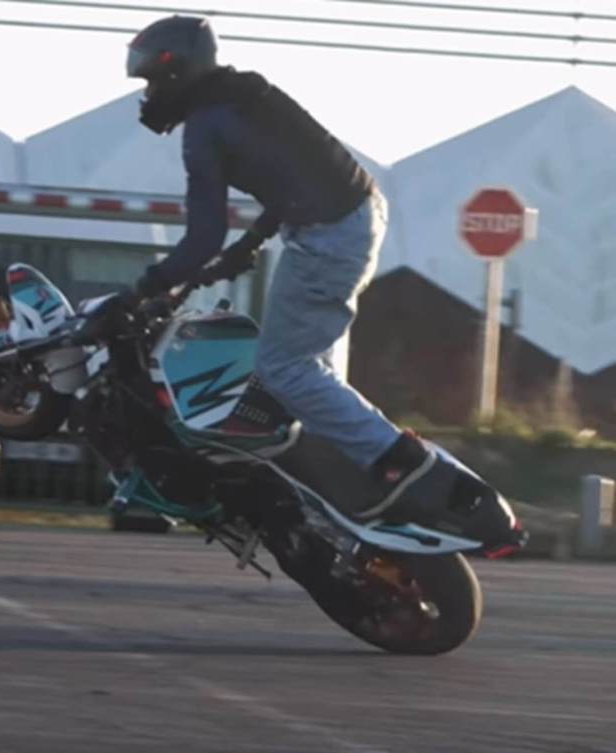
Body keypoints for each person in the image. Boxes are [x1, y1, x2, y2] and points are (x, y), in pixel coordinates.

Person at [123, 14, 458, 526]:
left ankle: (395, 459)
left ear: (176, 72)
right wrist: (251, 243)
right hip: (357, 213)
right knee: (311, 373)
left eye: (151, 80)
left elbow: (201, 238)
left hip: (329, 233)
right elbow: (295, 173)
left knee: (282, 369)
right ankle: (342, 496)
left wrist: (147, 286)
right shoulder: (250, 95)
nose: (148, 93)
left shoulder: (204, 128)